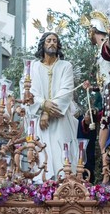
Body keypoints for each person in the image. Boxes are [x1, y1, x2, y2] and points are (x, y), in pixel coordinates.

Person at [27, 32, 78, 174]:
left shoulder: (65, 66)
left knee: (63, 153)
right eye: (49, 40)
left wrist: (47, 113)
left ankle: (65, 184)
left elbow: (66, 90)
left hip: (61, 118)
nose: (52, 43)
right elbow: (29, 92)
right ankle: (44, 189)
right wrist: (43, 104)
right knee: (42, 153)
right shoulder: (33, 67)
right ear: (43, 44)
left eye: (55, 41)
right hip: (39, 121)